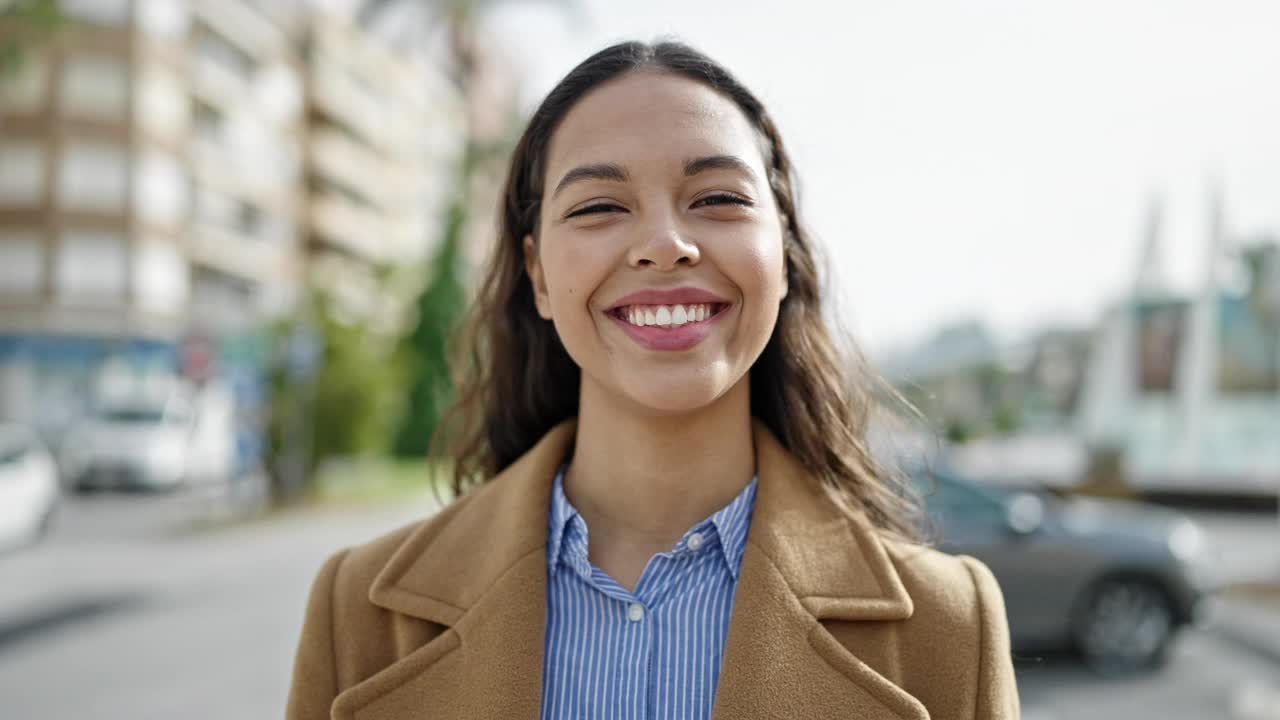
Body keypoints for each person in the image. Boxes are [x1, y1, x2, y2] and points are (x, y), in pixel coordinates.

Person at [286, 40, 1020, 720]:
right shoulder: (358, 612)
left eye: (718, 198)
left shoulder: (951, 625)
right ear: (539, 274)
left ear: (784, 252)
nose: (666, 245)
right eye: (600, 206)